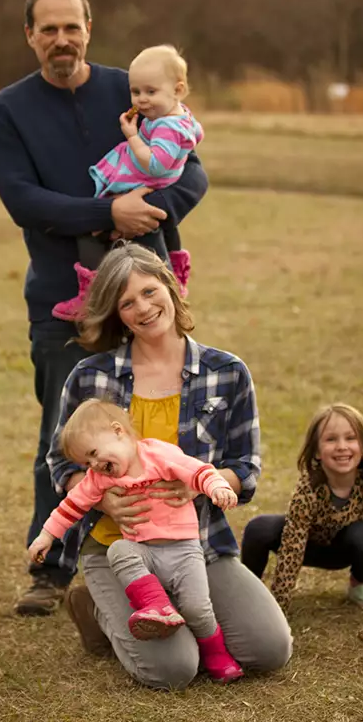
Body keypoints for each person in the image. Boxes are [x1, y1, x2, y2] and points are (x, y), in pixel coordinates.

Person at [0, 0, 208, 617]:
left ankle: (172, 555)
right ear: (30, 35)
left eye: (72, 27)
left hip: (147, 290)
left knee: (160, 428)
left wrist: (148, 214)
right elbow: (22, 199)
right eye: (48, 29)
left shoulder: (132, 86)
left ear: (89, 27)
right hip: (64, 298)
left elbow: (193, 170)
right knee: (67, 435)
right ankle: (49, 572)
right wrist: (106, 210)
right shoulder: (8, 108)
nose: (62, 40)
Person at [47, 242, 293, 691]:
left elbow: (246, 465)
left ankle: (165, 617)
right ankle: (97, 605)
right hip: (120, 552)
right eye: (126, 302)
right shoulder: (90, 376)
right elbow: (58, 461)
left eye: (148, 291)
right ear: (116, 314)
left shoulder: (227, 371)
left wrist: (202, 485)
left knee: (269, 649)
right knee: (175, 669)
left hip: (195, 543)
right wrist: (105, 501)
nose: (142, 308)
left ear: (170, 286)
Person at [29, 399, 243, 682]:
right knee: (119, 549)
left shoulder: (159, 454)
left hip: (183, 550)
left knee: (197, 609)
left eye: (94, 453)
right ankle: (156, 605)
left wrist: (218, 486)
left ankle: (216, 653)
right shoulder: (98, 478)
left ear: (118, 431)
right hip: (142, 551)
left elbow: (197, 471)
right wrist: (46, 535)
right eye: (86, 462)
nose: (94, 465)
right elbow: (71, 505)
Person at [241, 403, 363, 635]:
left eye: (351, 438)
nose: (342, 447)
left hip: (344, 550)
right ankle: (248, 593)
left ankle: (361, 585)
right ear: (316, 450)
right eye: (331, 439)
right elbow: (292, 548)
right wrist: (279, 611)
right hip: (307, 546)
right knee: (259, 527)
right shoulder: (309, 486)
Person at [52, 44, 202, 321]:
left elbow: (155, 163)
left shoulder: (166, 127)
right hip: (157, 182)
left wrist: (132, 136)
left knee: (91, 228)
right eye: (136, 92)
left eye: (151, 92)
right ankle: (175, 278)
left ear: (178, 90)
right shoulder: (180, 116)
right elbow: (196, 136)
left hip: (143, 179)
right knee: (164, 232)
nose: (141, 100)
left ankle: (91, 296)